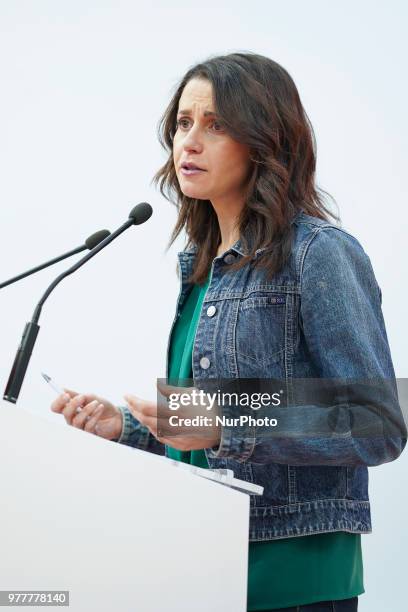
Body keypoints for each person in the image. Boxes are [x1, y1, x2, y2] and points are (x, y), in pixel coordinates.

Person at [50, 52, 407, 611]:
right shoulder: (200, 265)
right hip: (202, 562)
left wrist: (226, 425)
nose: (188, 142)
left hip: (295, 575)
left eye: (216, 125)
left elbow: (377, 421)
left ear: (264, 142)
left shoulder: (320, 254)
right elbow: (209, 436)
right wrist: (128, 429)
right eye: (183, 123)